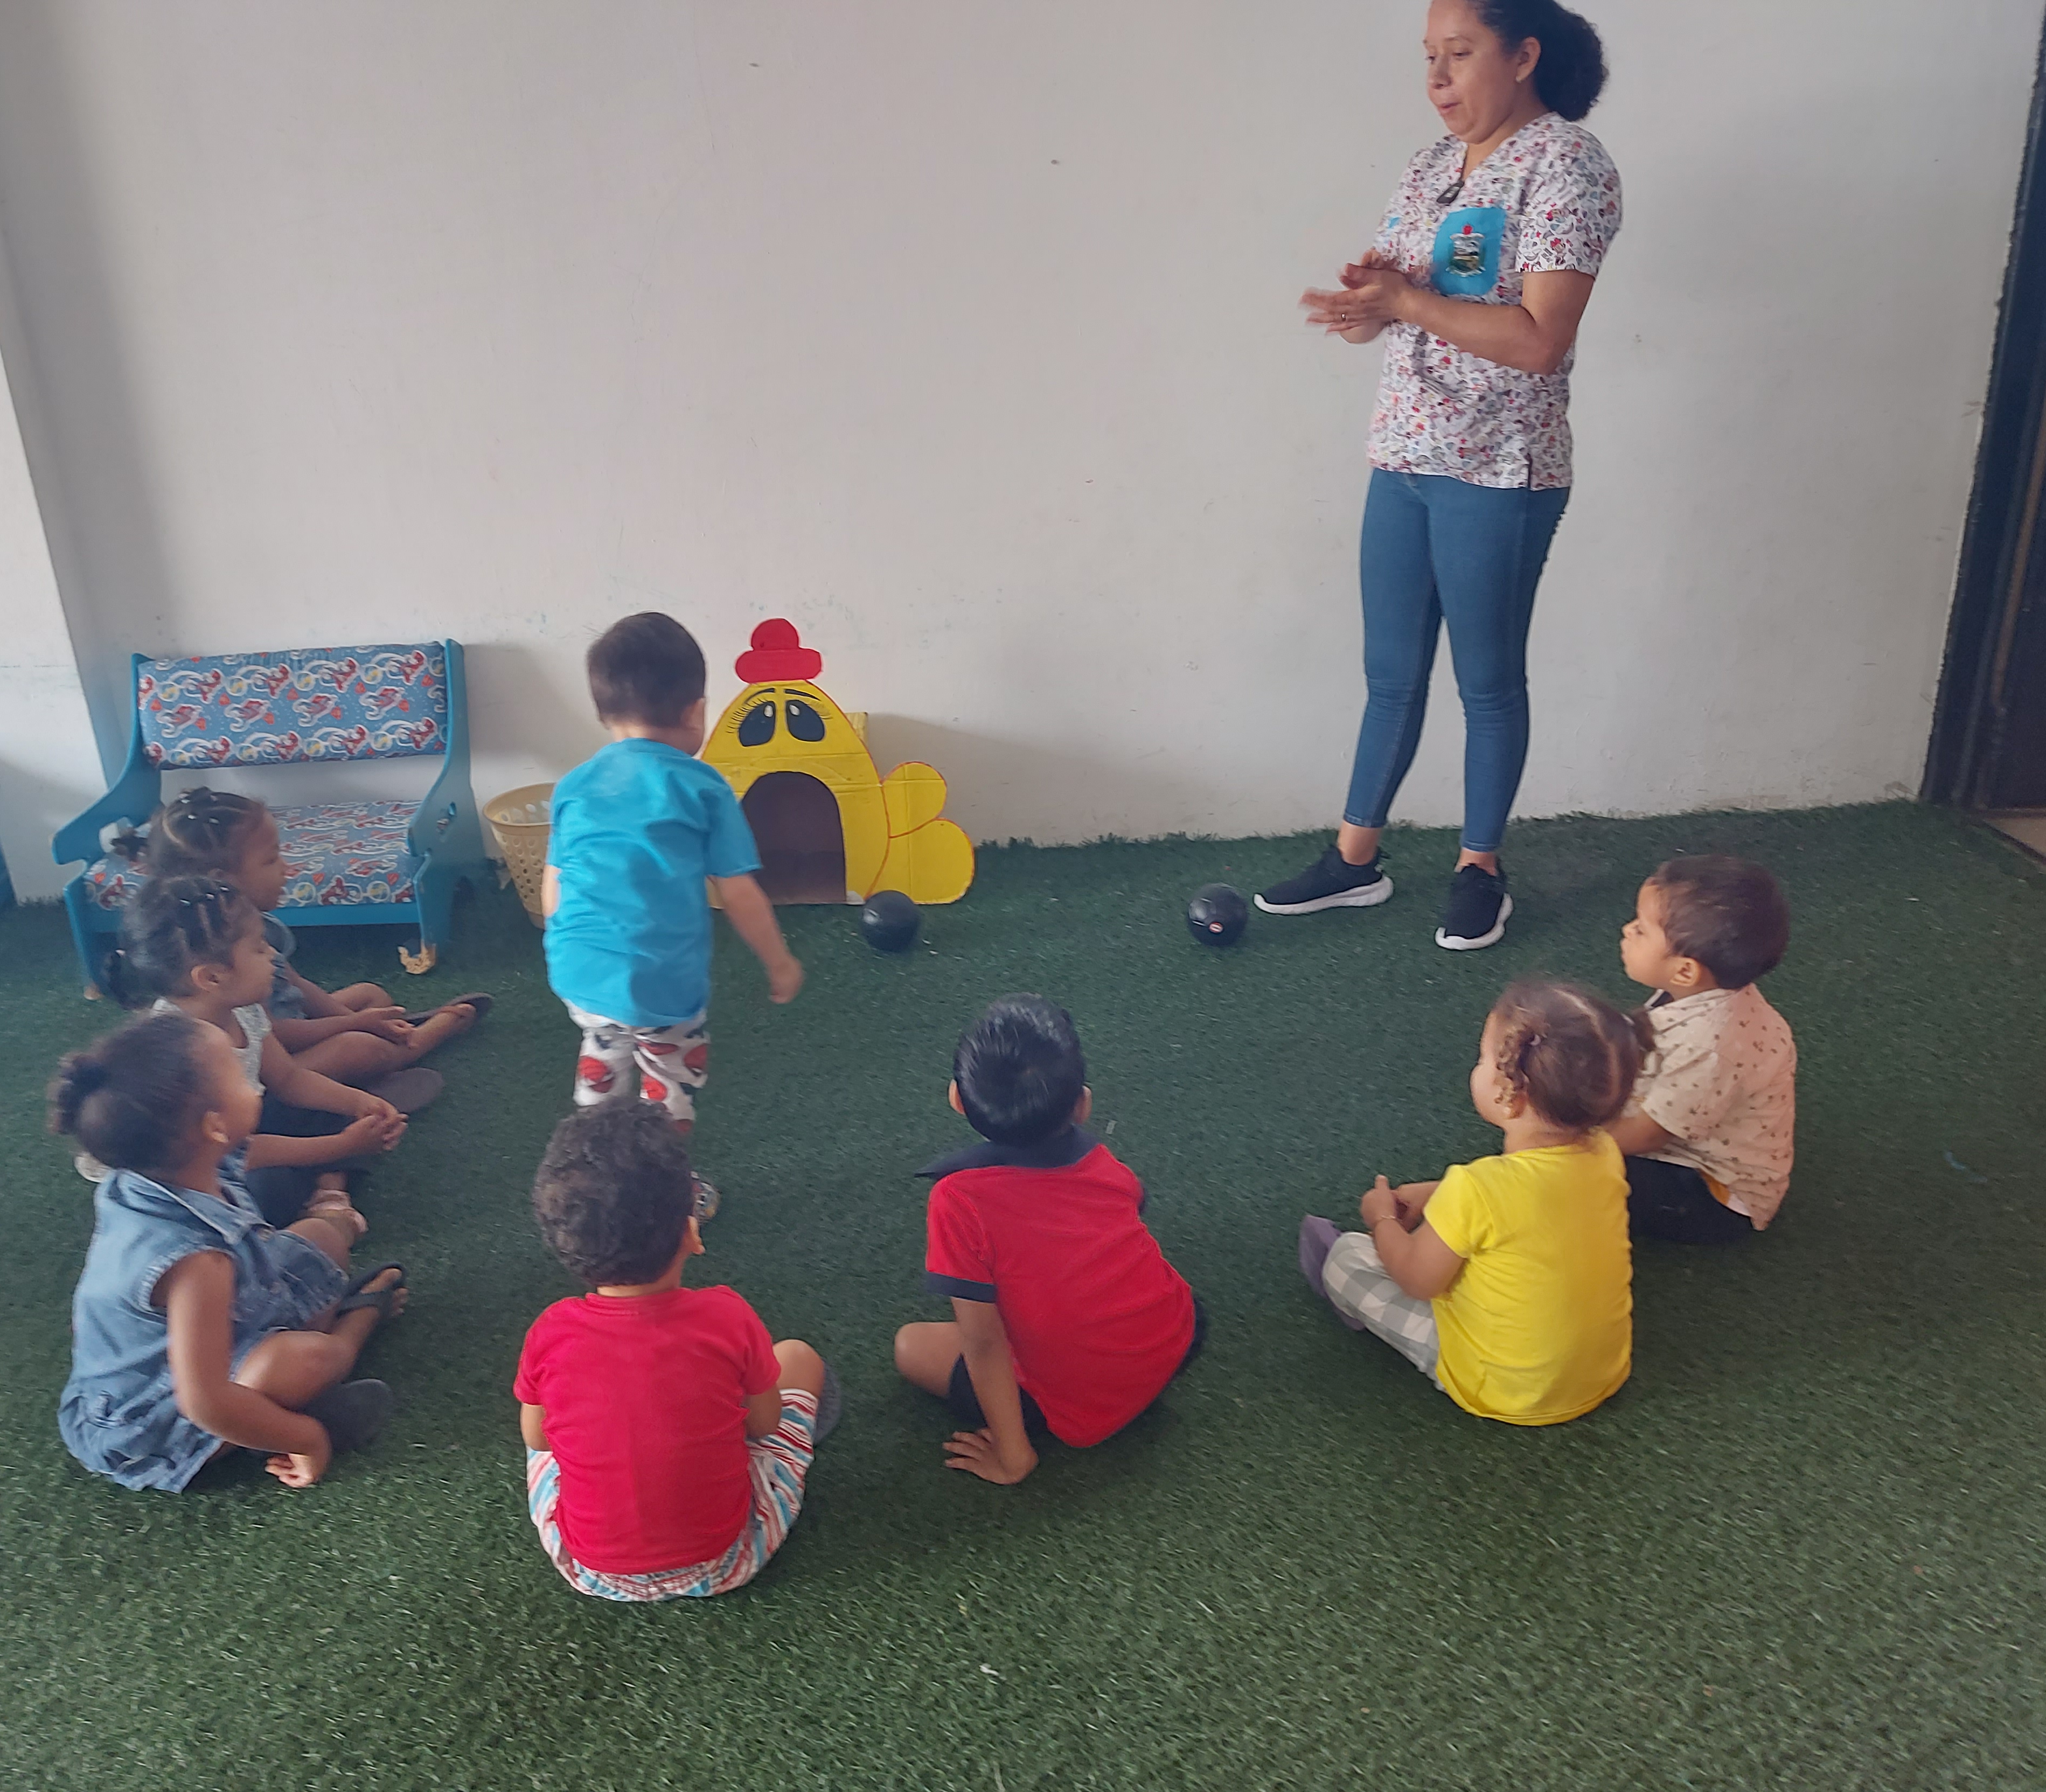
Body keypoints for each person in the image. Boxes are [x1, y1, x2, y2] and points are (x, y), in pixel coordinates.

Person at [1258, 0, 1622, 951]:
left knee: (1487, 682)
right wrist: (1368, 309)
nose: (1437, 77)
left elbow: (1538, 340)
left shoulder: (1566, 165)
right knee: (1389, 674)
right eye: (1428, 56)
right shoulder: (1429, 168)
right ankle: (1354, 860)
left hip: (1499, 467)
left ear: (1524, 55)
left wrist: (1408, 303)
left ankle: (1479, 870)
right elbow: (1408, 300)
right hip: (1404, 454)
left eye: (1459, 54)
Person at [52, 1010, 409, 1493]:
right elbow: (204, 1401)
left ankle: (281, 1400)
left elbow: (255, 1151)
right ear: (215, 1126)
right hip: (158, 1416)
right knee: (314, 1360)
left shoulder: (165, 1166)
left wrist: (342, 1145)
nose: (252, 1081)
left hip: (221, 1328)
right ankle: (352, 1331)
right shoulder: (196, 1262)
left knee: (322, 1237)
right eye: (239, 1077)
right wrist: (308, 1441)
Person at [513, 1102, 833, 1601]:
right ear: (691, 1232)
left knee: (548, 1443)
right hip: (727, 1560)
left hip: (590, 1571)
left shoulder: (549, 1331)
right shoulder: (726, 1315)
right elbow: (764, 1423)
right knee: (798, 1358)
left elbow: (537, 1437)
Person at [542, 611, 803, 1217]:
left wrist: (571, 944)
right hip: (665, 984)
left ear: (604, 712)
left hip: (581, 973)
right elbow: (739, 894)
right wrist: (779, 962)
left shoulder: (574, 785)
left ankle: (597, 1180)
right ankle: (668, 1195)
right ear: (696, 712)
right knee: (668, 1083)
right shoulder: (703, 787)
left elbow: (554, 887)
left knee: (603, 1047)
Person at [1297, 977, 1647, 1425]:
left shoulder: (1478, 1189)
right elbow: (1527, 1201)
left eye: (1484, 1061)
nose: (1477, 1068)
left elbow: (1417, 1280)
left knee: (1349, 1258)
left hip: (1501, 1387)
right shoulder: (1604, 1152)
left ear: (1511, 1098)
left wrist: (1382, 1219)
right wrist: (1436, 1195)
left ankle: (1344, 1289)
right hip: (1602, 1373)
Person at [893, 995, 1205, 1485]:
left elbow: (983, 1341)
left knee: (910, 1346)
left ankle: (1029, 1442)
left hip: (1078, 1403)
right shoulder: (1100, 1160)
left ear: (956, 1098)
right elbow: (1131, 1208)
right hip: (1177, 1340)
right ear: (1083, 1105)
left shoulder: (956, 1200)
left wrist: (1013, 1456)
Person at [110, 786, 489, 1094]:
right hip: (271, 1065)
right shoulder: (223, 958)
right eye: (271, 860)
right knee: (359, 1049)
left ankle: (383, 1046)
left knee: (370, 994)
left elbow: (296, 983)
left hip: (294, 1026)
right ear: (221, 878)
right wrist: (351, 1028)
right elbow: (273, 1034)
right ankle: (430, 1035)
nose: (286, 868)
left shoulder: (251, 927)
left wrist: (352, 1019)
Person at [102, 873, 406, 1226]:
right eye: (260, 948)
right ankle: (329, 1184)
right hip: (216, 1160)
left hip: (252, 1118)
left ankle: (328, 1186)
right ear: (212, 977)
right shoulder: (183, 1052)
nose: (273, 955)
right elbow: (239, 1152)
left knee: (330, 1106)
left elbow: (289, 1079)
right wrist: (341, 1146)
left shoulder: (243, 1007)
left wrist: (358, 1103)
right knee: (266, 1189)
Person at [1607, 855, 1796, 1243]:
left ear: (1685, 970)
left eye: (1641, 929)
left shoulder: (1711, 1046)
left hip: (1712, 1194)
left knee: (1574, 1178)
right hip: (1689, 1141)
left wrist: (1561, 1144)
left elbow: (1650, 1135)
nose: (1627, 930)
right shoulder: (1697, 992)